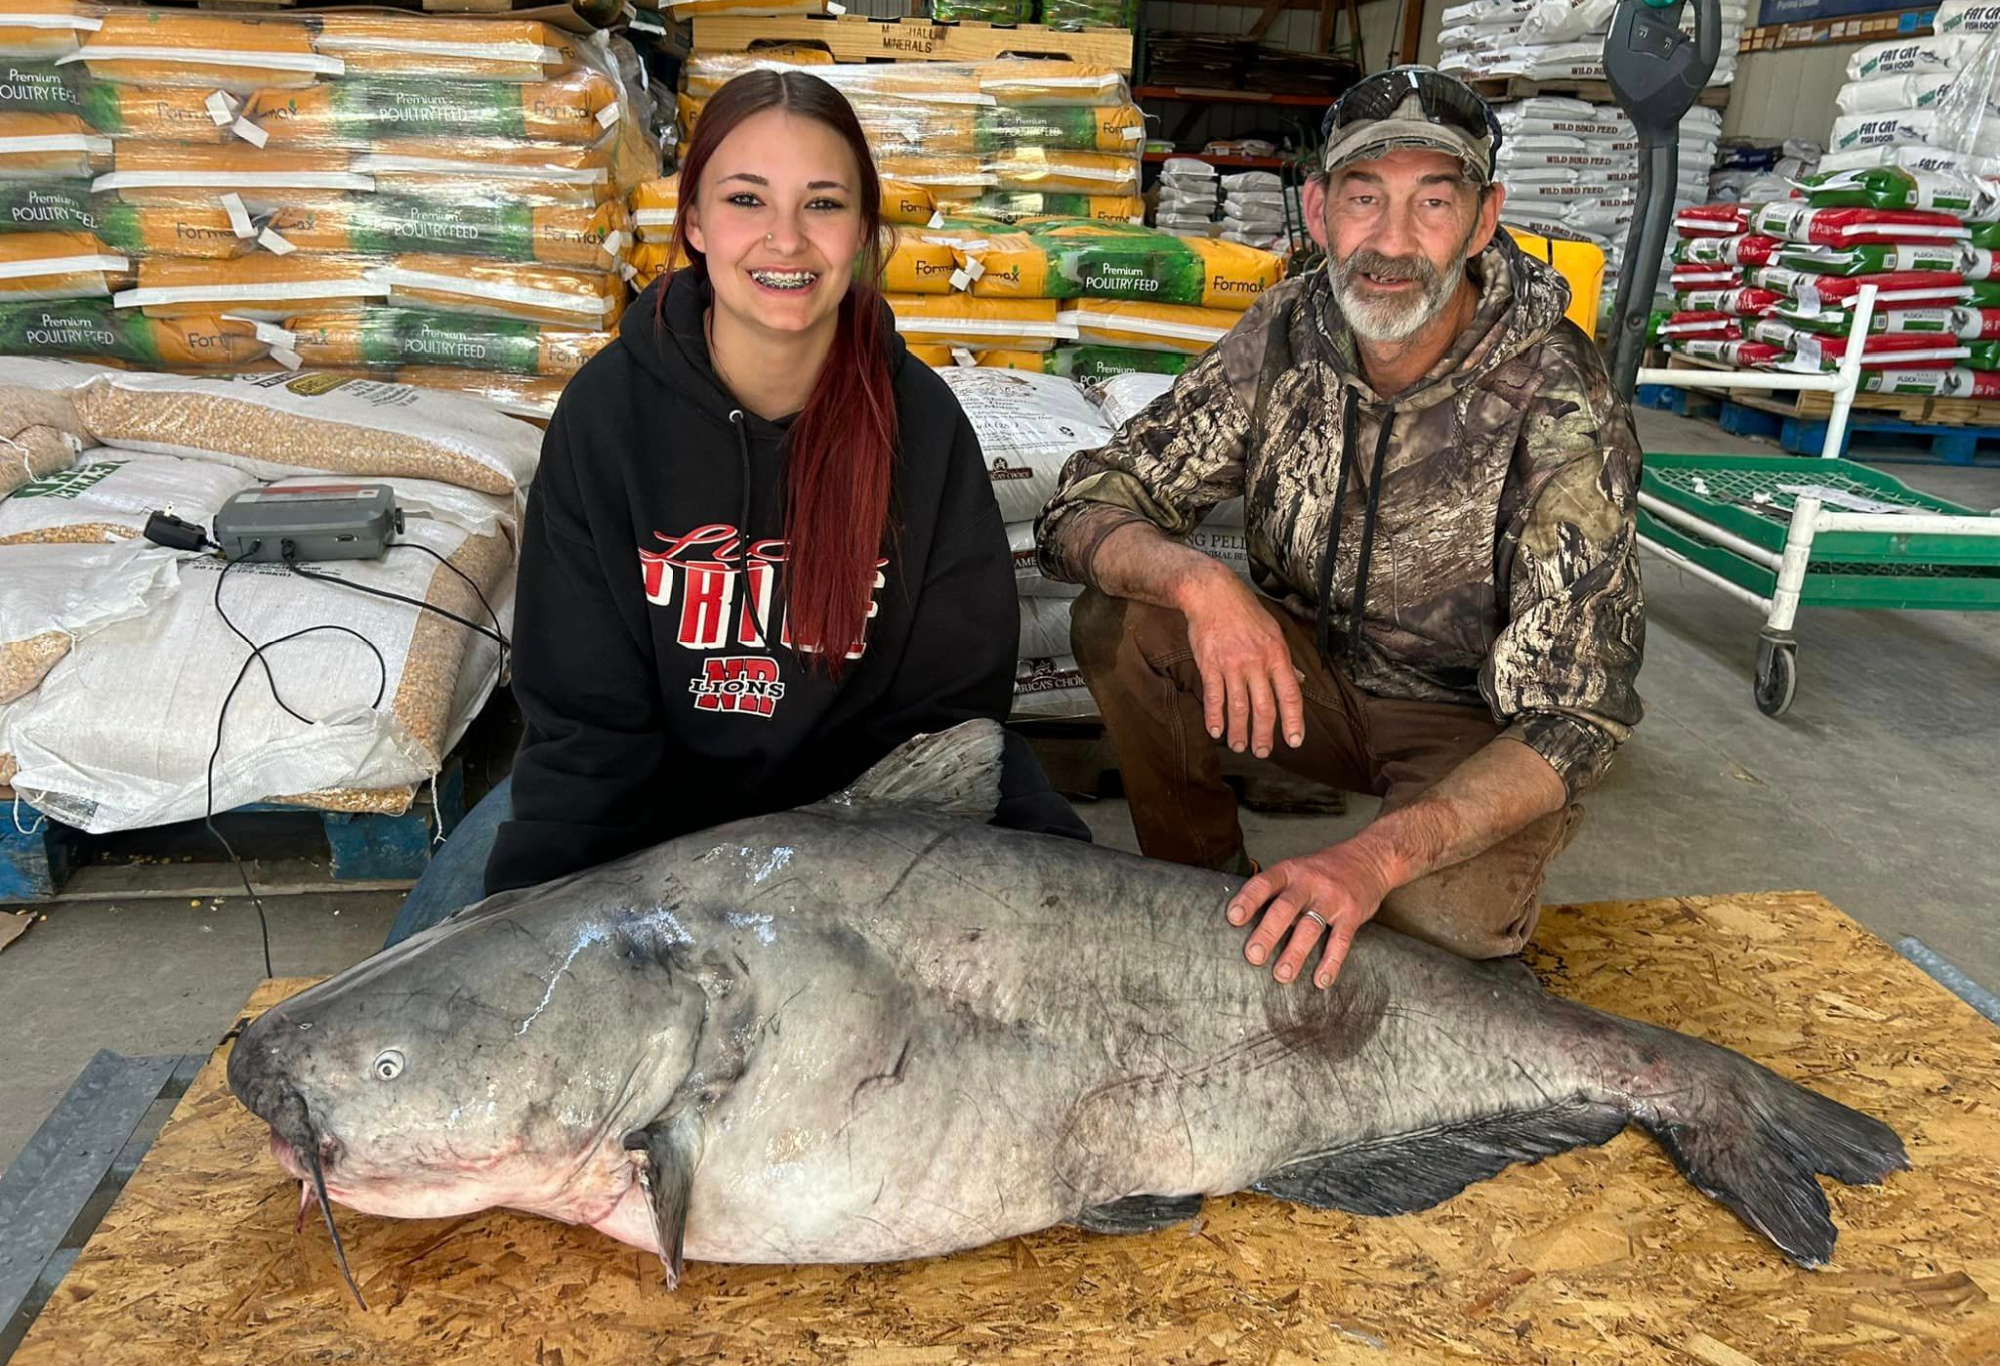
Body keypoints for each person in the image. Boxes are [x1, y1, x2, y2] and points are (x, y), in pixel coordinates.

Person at [385, 70, 1085, 947]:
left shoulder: (920, 422)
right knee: (450, 981)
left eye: (822, 204)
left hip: (869, 823)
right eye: (747, 199)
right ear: (693, 223)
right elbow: (589, 729)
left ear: (864, 233)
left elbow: (943, 726)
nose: (785, 240)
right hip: (645, 814)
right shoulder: (609, 417)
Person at [1034, 66, 1645, 993]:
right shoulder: (1288, 329)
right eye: (1365, 198)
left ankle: (1397, 881)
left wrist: (1374, 859)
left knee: (1431, 938)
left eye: (1433, 203)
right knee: (1125, 620)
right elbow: (1088, 498)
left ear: (1485, 220)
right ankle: (1206, 901)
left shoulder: (1558, 392)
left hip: (1467, 727)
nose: (1392, 243)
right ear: (1317, 210)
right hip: (1301, 687)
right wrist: (1202, 585)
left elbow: (1577, 714)